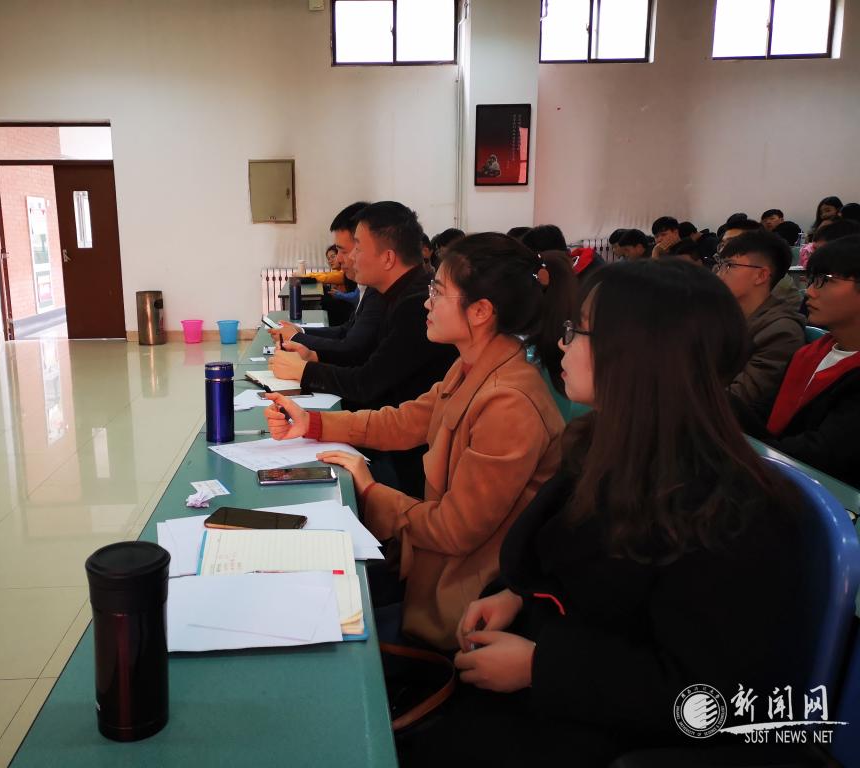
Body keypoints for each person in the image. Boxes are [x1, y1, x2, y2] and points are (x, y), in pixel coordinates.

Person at [401, 259, 806, 766]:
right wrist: (517, 596)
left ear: (638, 354)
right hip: (546, 690)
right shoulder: (605, 445)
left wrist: (542, 668)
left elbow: (709, 696)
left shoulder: (733, 511)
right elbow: (565, 569)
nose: (562, 344)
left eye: (579, 332)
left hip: (611, 733)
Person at [263, 233, 573, 650]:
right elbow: (403, 421)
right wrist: (312, 423)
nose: (427, 303)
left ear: (481, 311)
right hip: (430, 573)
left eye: (438, 292)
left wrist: (370, 491)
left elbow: (453, 530)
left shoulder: (509, 402)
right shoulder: (472, 366)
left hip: (458, 609)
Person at [270, 201, 459, 495]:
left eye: (357, 247)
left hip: (407, 461)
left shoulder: (414, 305)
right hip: (396, 435)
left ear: (387, 258)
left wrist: (307, 371)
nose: (349, 257)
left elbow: (367, 383)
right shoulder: (393, 293)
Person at [738, 235, 860, 487]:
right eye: (811, 280)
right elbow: (763, 410)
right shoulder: (812, 352)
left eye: (824, 280)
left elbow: (821, 455)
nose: (810, 292)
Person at [269, 203, 387, 367]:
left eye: (344, 251)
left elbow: (351, 351)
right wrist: (300, 333)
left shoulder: (381, 295)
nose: (338, 259)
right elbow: (346, 331)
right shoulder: (371, 288)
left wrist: (304, 363)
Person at [715, 230, 804, 418]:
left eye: (729, 266)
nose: (719, 274)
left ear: (761, 275)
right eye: (720, 265)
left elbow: (739, 399)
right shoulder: (721, 315)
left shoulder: (781, 332)